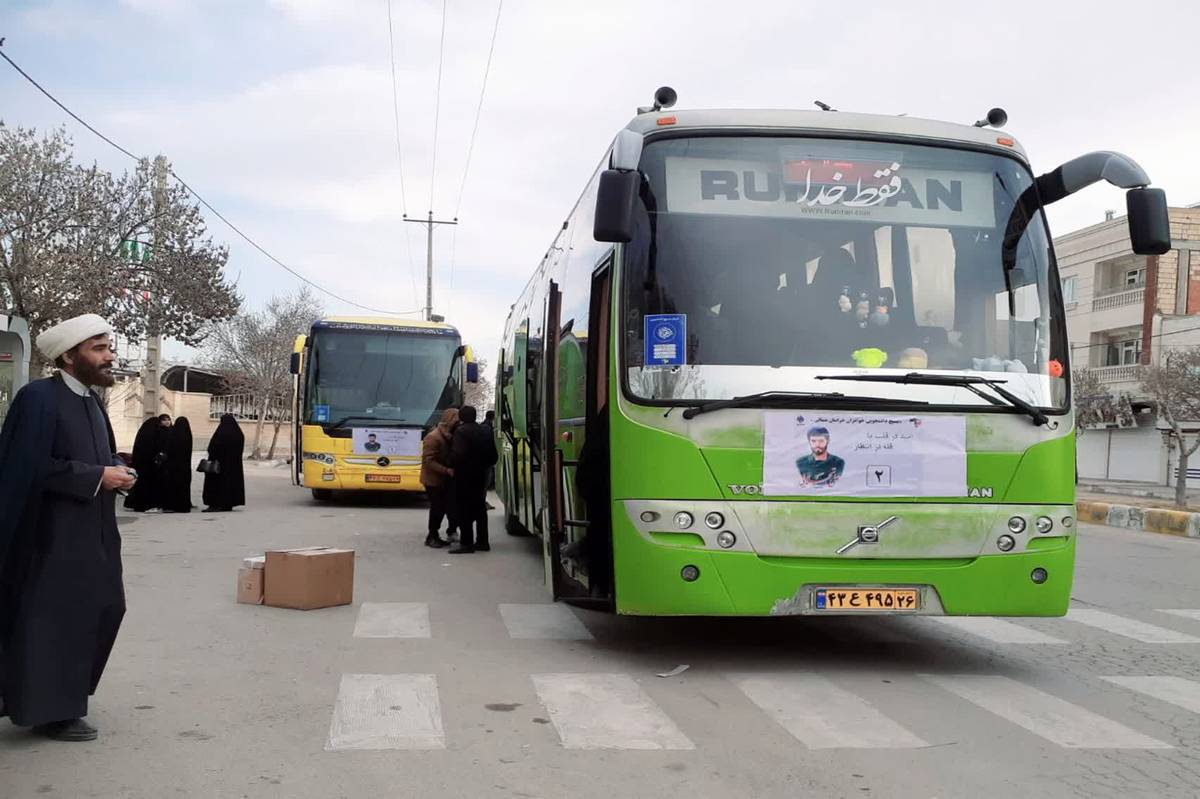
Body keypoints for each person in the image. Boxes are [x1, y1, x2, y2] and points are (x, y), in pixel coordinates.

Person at [0, 314, 136, 742]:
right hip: (52, 539)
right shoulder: (38, 398)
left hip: (96, 535)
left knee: (105, 609)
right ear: (69, 356)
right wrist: (95, 476)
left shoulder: (92, 401)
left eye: (109, 347)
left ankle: (52, 699)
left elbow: (99, 455)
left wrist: (116, 469)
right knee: (57, 620)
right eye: (99, 349)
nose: (109, 356)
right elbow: (26, 466)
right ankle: (53, 711)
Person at [449, 405, 498, 555]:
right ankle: (483, 542)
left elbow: (458, 454)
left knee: (464, 509)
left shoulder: (461, 431)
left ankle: (466, 543)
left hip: (465, 476)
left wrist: (451, 464)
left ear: (461, 417)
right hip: (482, 475)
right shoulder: (486, 430)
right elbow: (493, 456)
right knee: (480, 509)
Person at [419, 408, 459, 549]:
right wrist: (446, 470)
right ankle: (432, 536)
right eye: (456, 420)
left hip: (442, 479)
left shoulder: (448, 436)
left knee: (442, 508)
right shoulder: (434, 437)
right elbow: (428, 461)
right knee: (437, 508)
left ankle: (435, 535)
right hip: (433, 480)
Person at [202, 414, 245, 512]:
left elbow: (212, 448)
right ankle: (228, 504)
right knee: (230, 484)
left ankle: (215, 504)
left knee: (216, 484)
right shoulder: (239, 434)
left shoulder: (220, 434)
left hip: (218, 466)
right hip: (233, 466)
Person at [123, 416, 166, 512]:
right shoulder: (155, 435)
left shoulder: (142, 434)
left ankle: (138, 505)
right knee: (149, 486)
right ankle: (148, 505)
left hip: (140, 465)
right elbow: (156, 449)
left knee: (140, 485)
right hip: (150, 467)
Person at [161, 416, 193, 513]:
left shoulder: (173, 434)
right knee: (184, 485)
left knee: (172, 485)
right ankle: (184, 506)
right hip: (185, 465)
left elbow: (168, 449)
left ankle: (172, 506)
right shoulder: (188, 435)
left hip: (173, 466)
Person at [481, 410, 497, 509]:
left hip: (484, 460)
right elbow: (490, 445)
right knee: (484, 484)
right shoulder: (487, 428)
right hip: (486, 461)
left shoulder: (484, 426)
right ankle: (482, 503)